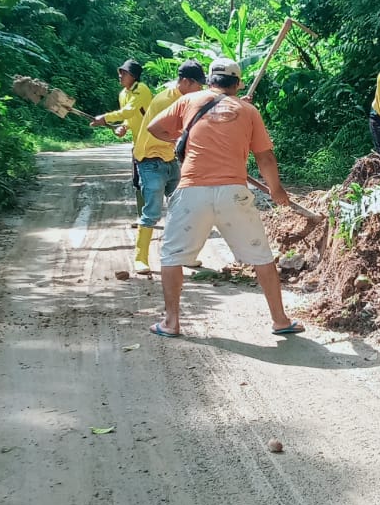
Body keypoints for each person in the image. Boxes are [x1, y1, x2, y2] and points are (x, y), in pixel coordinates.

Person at [145, 56, 303, 339]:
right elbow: (265, 156)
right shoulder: (248, 110)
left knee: (171, 256)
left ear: (209, 81)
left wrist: (183, 137)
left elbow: (154, 127)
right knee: (262, 257)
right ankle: (280, 320)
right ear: (238, 83)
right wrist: (276, 190)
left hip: (191, 191)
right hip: (234, 193)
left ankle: (171, 322)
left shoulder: (189, 101)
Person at [128, 61, 207, 274]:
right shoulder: (166, 100)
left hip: (169, 159)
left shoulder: (186, 98)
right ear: (185, 81)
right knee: (152, 211)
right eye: (197, 85)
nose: (200, 89)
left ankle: (185, 255)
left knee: (184, 208)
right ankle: (140, 258)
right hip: (150, 160)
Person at [90, 60, 153, 216]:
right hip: (138, 144)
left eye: (123, 73)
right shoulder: (123, 94)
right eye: (120, 72)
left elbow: (129, 111)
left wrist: (105, 118)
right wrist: (124, 127)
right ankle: (144, 217)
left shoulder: (141, 89)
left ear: (133, 76)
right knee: (137, 181)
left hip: (153, 142)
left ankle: (158, 215)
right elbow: (130, 117)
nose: (120, 76)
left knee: (154, 182)